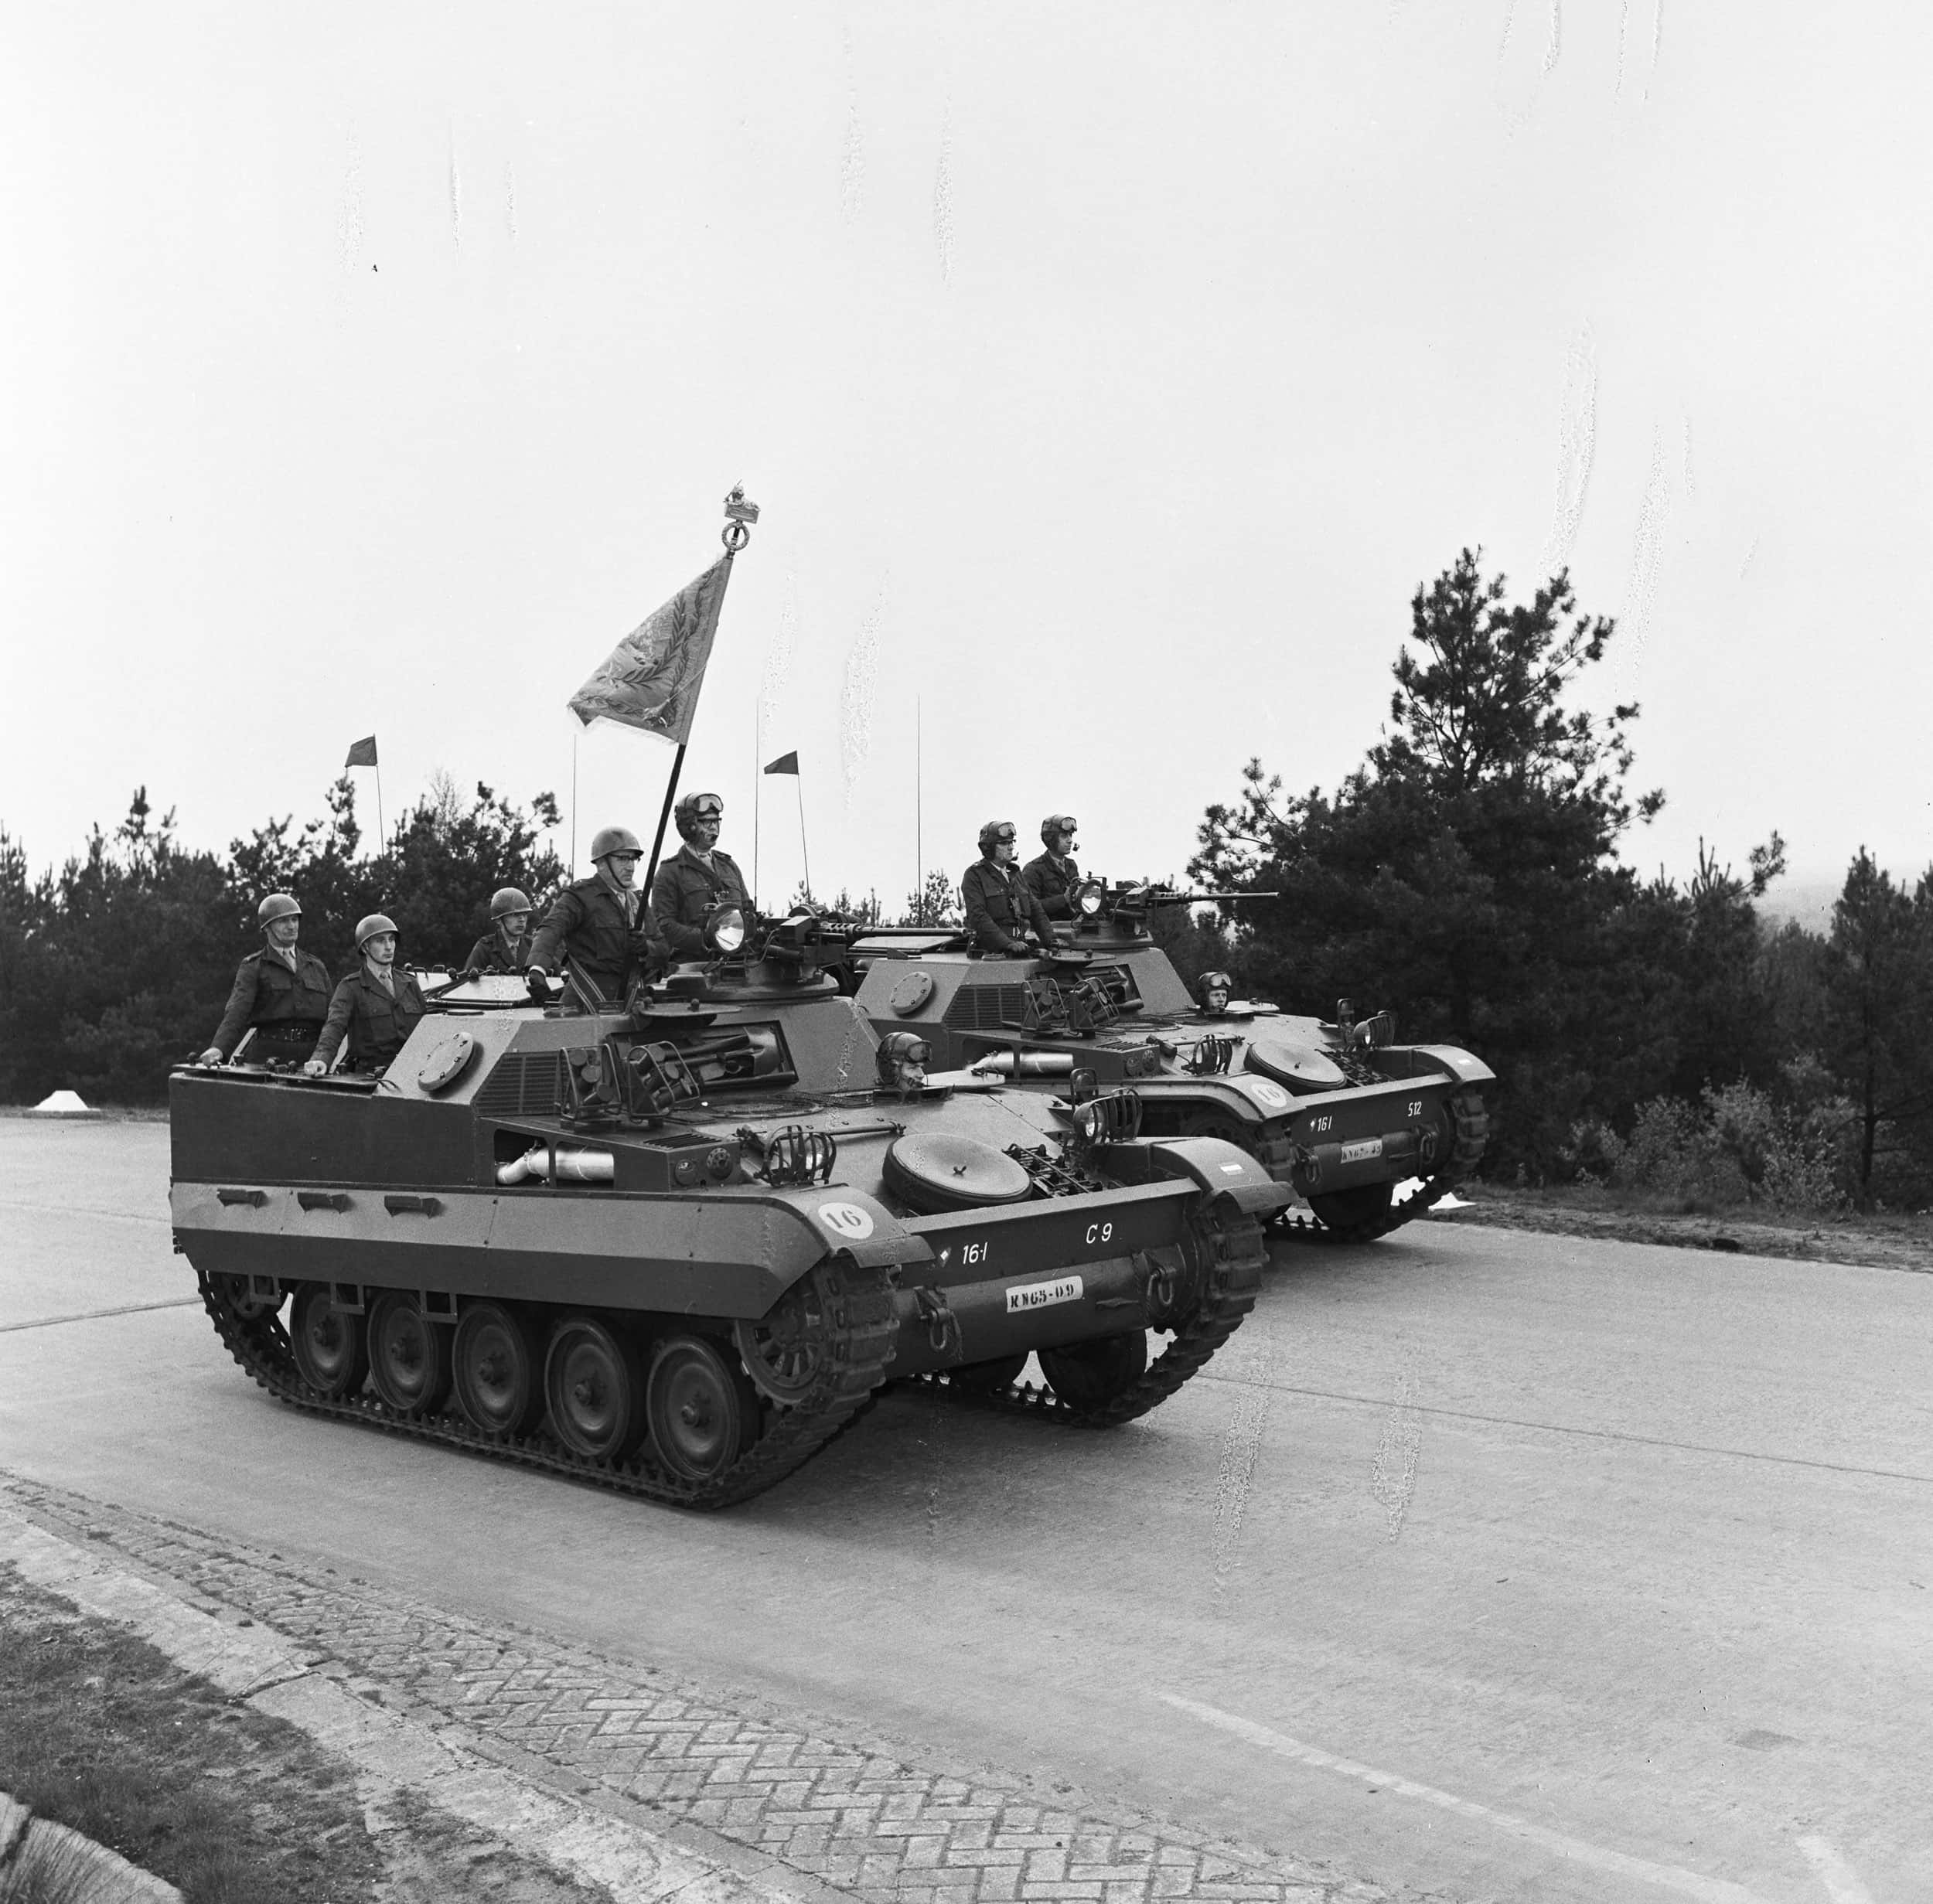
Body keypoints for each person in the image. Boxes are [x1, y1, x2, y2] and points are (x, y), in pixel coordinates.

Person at [527, 824, 670, 1010]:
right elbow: (551, 929)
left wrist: (645, 948)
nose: (630, 867)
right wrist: (537, 969)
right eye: (623, 859)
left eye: (634, 859)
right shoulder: (580, 896)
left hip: (633, 1004)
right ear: (602, 863)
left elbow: (663, 950)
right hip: (584, 1003)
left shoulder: (638, 902)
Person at [198, 893, 333, 1066]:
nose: (291, 926)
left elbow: (333, 1020)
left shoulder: (316, 966)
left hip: (311, 1059)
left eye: (294, 920)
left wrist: (323, 1057)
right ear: (267, 928)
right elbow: (237, 1013)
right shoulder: (253, 966)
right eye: (283, 921)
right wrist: (218, 1048)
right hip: (266, 1059)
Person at [303, 915, 428, 1075]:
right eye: (380, 941)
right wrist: (321, 1059)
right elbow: (335, 1026)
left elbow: (426, 1029)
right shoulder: (351, 987)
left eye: (392, 940)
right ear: (364, 948)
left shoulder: (410, 983)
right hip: (370, 1076)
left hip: (411, 1073)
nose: (389, 947)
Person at [649, 792, 750, 958]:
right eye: (706, 822)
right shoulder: (670, 872)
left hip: (736, 963)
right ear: (689, 826)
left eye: (716, 821)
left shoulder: (729, 866)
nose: (713, 827)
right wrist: (706, 938)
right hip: (693, 967)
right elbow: (663, 926)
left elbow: (746, 910)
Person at [960, 820, 1053, 955]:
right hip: (989, 953)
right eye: (1004, 843)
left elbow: (1036, 910)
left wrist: (1051, 941)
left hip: (1020, 948)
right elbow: (978, 916)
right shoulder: (975, 875)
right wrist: (1007, 944)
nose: (1010, 847)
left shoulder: (1015, 874)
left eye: (1012, 842)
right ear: (989, 848)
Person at [1022, 814, 1082, 919]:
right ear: (1051, 839)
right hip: (1048, 929)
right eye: (1064, 836)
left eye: (1070, 835)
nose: (1070, 840)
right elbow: (1029, 908)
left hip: (1072, 925)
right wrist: (1063, 899)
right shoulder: (1033, 869)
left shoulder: (1071, 865)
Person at [464, 887, 535, 974]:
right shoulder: (485, 947)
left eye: (525, 914)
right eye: (515, 915)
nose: (522, 919)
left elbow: (556, 978)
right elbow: (467, 983)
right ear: (499, 920)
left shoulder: (534, 946)